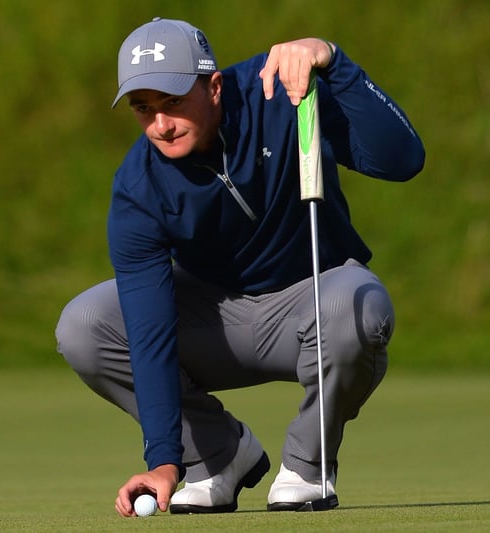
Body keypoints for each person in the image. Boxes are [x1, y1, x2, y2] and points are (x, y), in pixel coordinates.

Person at [56, 18, 425, 517]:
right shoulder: (138, 187)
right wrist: (164, 460)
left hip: (312, 301)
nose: (160, 125)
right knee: (85, 325)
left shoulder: (279, 92)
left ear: (213, 87)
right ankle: (217, 456)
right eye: (144, 110)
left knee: (356, 303)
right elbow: (149, 330)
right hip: (217, 319)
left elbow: (401, 160)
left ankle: (308, 466)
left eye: (173, 104)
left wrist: (334, 63)